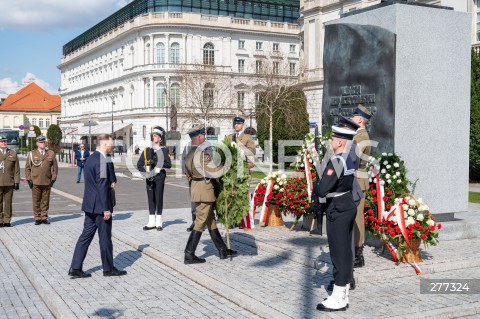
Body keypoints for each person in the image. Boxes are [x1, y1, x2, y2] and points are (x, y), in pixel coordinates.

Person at [68, 134, 127, 278]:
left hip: (90, 206)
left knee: (85, 236)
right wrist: (106, 208)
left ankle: (75, 267)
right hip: (100, 207)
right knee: (105, 238)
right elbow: (101, 186)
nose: (112, 146)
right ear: (104, 144)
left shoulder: (91, 159)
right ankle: (108, 269)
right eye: (111, 143)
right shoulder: (101, 161)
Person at [314, 126, 356, 312]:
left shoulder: (338, 160)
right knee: (346, 251)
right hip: (346, 204)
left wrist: (316, 183)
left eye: (333, 139)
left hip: (337, 209)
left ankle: (338, 299)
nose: (330, 141)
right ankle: (343, 292)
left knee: (338, 254)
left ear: (340, 142)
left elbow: (323, 189)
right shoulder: (347, 158)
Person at [183, 124, 237, 264]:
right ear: (199, 137)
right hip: (205, 191)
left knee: (210, 221)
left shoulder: (189, 154)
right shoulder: (201, 155)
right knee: (200, 222)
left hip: (197, 189)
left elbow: (187, 173)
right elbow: (215, 171)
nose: (205, 138)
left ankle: (222, 249)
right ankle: (189, 254)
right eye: (204, 136)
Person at [351, 104, 373, 268]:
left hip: (358, 179)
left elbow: (353, 156)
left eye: (353, 116)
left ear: (359, 119)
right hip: (356, 178)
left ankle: (358, 255)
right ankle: (354, 251)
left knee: (358, 218)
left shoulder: (362, 136)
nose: (351, 118)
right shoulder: (357, 135)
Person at [137, 126, 171, 231]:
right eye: (153, 136)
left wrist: (155, 163)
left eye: (155, 136)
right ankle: (151, 221)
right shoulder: (147, 150)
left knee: (159, 198)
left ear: (160, 138)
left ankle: (158, 221)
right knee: (151, 199)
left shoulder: (164, 150)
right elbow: (139, 164)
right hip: (149, 178)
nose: (153, 137)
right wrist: (145, 174)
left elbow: (168, 164)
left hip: (160, 177)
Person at [25, 136, 58, 225]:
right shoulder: (32, 154)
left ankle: (44, 217)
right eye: (40, 142)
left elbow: (55, 168)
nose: (42, 144)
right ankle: (37, 217)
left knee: (45, 200)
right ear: (37, 144)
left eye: (43, 142)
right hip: (36, 181)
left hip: (47, 181)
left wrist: (53, 179)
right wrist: (29, 179)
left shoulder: (50, 153)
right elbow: (27, 168)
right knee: (36, 201)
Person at [0, 135, 20, 228]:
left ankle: (7, 220)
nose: (4, 143)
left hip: (9, 182)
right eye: (1, 141)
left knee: (8, 202)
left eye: (5, 141)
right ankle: (0, 220)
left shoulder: (12, 153)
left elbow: (16, 169)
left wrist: (17, 182)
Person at [182, 140, 197, 232]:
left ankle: (202, 222)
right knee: (193, 200)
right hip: (192, 177)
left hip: (202, 179)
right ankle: (194, 221)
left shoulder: (206, 145)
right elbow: (183, 159)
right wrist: (187, 173)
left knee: (203, 200)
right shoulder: (188, 146)